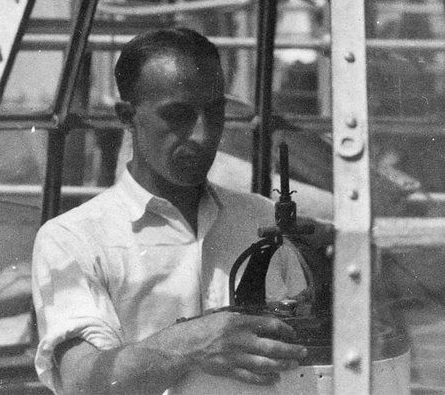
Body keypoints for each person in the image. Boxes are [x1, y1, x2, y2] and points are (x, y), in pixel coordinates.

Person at [31, 27, 319, 395]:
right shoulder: (73, 239)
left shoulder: (261, 219)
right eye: (178, 115)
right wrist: (191, 344)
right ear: (127, 116)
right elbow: (80, 380)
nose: (202, 135)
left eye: (214, 113)